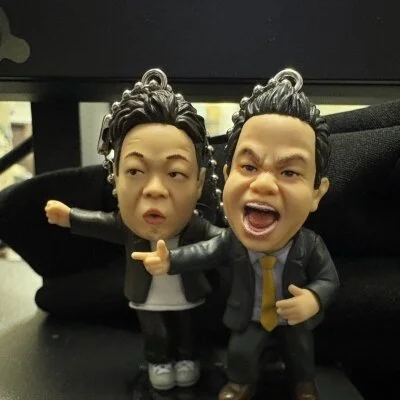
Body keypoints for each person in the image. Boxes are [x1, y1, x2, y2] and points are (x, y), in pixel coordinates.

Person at [133, 68, 340, 400]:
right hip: (250, 318)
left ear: (318, 192)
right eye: (249, 167)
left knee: (302, 355)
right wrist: (169, 260)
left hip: (294, 321)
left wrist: (312, 299)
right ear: (227, 175)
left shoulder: (310, 245)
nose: (263, 184)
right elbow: (203, 252)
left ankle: (304, 385)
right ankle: (241, 384)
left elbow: (329, 279)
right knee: (241, 354)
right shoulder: (231, 242)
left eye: (289, 172)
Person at [44, 68, 224, 391]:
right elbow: (100, 223)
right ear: (114, 175)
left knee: (186, 329)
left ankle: (186, 357)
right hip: (145, 296)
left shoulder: (195, 227)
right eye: (136, 171)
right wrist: (70, 216)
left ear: (199, 183)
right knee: (155, 332)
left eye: (175, 173)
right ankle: (158, 360)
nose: (154, 190)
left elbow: (223, 243)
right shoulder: (127, 228)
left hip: (188, 295)